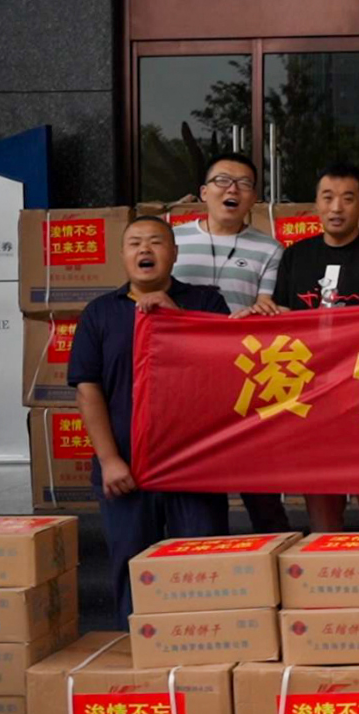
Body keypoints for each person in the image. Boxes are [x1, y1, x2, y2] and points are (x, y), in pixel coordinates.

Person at [68, 217, 232, 625]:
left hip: (194, 467)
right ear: (123, 256)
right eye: (135, 243)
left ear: (174, 253)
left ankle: (202, 660)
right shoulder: (100, 313)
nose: (145, 250)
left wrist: (176, 316)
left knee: (201, 567)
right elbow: (88, 390)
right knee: (131, 568)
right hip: (125, 468)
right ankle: (138, 661)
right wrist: (109, 460)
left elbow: (222, 372)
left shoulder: (206, 303)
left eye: (156, 242)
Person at [238, 163, 359, 533]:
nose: (337, 208)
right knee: (321, 500)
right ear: (315, 204)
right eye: (328, 198)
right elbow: (283, 318)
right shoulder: (296, 255)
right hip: (310, 391)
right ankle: (325, 577)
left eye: (348, 199)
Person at [172, 151, 291, 533]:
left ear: (254, 199)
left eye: (244, 184)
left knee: (261, 487)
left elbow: (268, 307)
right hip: (186, 377)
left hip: (244, 378)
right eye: (223, 181)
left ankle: (276, 556)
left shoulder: (270, 249)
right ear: (203, 192)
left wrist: (260, 312)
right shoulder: (171, 240)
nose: (233, 190)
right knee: (199, 488)